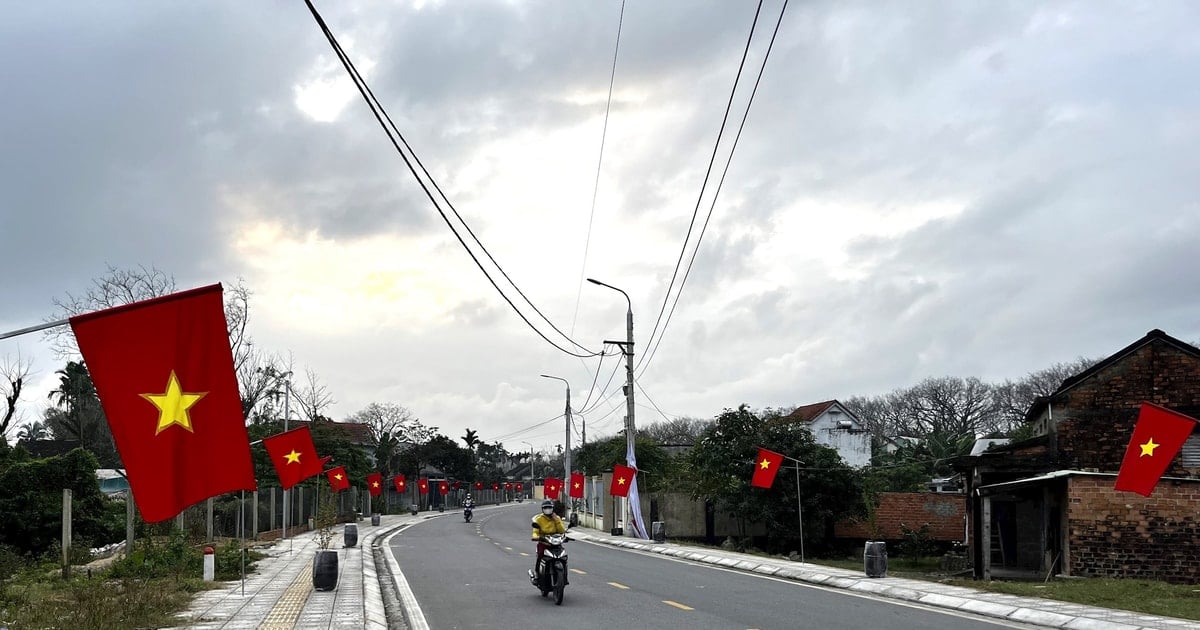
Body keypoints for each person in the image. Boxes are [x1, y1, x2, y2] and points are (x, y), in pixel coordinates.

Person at [529, 499, 566, 583]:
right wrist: (536, 537)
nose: (547, 509)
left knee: (563, 557)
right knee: (540, 556)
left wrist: (556, 520)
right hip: (544, 542)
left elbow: (561, 531)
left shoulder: (557, 518)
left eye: (549, 508)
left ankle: (564, 575)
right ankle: (537, 575)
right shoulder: (539, 519)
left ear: (552, 508)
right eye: (545, 508)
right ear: (542, 509)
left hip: (555, 542)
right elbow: (535, 532)